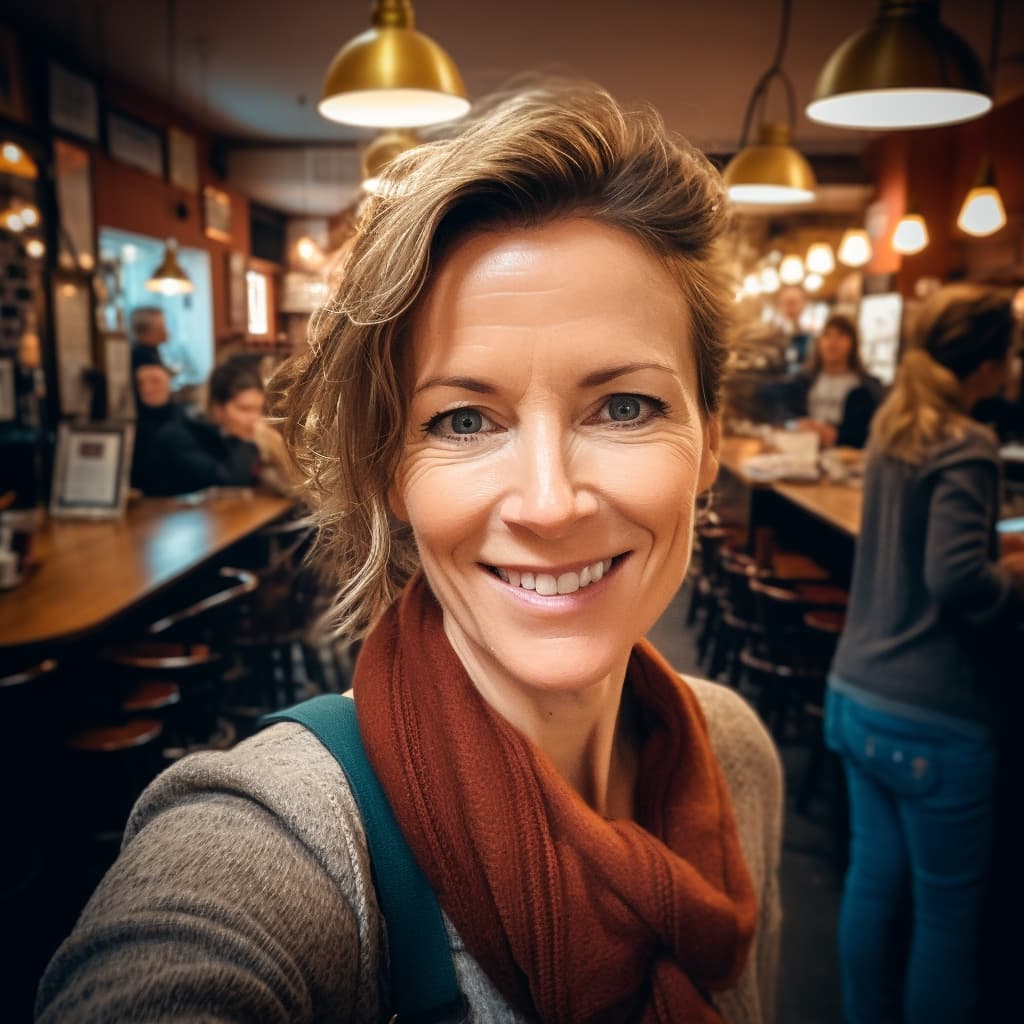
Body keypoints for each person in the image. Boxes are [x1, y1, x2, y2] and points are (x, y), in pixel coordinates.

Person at [36, 84, 783, 1022]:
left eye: (624, 407)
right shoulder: (287, 836)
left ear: (709, 438)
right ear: (394, 471)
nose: (549, 503)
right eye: (464, 420)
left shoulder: (735, 755)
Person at [825, 284, 1024, 1024]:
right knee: (945, 920)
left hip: (855, 693)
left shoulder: (894, 427)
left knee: (873, 885)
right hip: (932, 714)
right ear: (991, 364)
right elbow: (953, 576)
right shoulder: (966, 441)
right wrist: (1008, 578)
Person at [144, 355, 264, 495]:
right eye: (244, 409)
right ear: (217, 407)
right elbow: (228, 483)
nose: (255, 419)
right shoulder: (178, 437)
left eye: (259, 410)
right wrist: (248, 440)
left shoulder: (227, 433)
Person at [782, 313, 883, 448]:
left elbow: (872, 432)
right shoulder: (802, 382)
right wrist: (796, 424)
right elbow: (784, 415)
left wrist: (839, 436)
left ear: (853, 343)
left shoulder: (868, 387)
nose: (832, 342)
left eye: (840, 335)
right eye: (827, 335)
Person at [129, 362, 186, 494]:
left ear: (169, 384)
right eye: (140, 383)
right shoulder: (134, 428)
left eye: (155, 381)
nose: (147, 388)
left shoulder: (185, 424)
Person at [128, 305, 169, 372]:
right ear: (144, 332)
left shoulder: (152, 350)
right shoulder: (141, 356)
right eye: (161, 328)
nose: (166, 332)